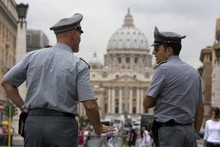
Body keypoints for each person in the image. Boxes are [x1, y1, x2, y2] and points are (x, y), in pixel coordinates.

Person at [1, 13, 115, 147]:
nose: (80, 39)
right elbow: (90, 105)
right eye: (80, 34)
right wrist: (98, 127)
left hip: (33, 124)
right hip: (62, 127)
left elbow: (6, 83)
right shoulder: (79, 65)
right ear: (74, 34)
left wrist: (23, 107)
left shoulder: (32, 56)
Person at [143, 27, 204, 147]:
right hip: (189, 132)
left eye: (156, 48)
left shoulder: (163, 69)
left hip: (169, 133)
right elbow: (200, 109)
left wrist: (162, 97)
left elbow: (147, 103)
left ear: (169, 50)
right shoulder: (194, 73)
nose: (153, 52)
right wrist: (195, 134)